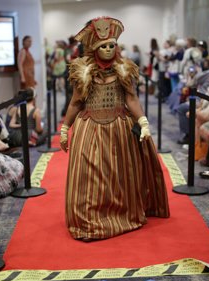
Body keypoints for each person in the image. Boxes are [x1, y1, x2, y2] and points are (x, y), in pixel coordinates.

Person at [60, 16, 170, 242]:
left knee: (121, 176)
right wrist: (65, 128)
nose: (109, 49)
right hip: (89, 127)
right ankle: (89, 218)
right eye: (103, 46)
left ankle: (120, 214)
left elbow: (132, 100)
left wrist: (143, 122)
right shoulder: (82, 71)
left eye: (112, 45)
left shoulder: (124, 70)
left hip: (120, 128)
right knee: (89, 176)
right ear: (94, 48)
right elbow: (75, 103)